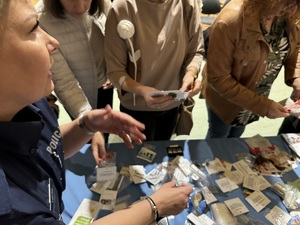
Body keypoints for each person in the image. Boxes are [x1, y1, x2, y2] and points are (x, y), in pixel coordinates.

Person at [0, 1, 193, 225]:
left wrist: (85, 125)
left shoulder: (31, 104)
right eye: (33, 29)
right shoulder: (10, 209)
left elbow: (49, 145)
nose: (52, 42)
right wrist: (153, 207)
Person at [104, 0, 203, 141]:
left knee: (163, 148)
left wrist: (191, 74)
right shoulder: (122, 7)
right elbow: (115, 72)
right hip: (136, 104)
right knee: (139, 155)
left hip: (173, 101)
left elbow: (196, 51)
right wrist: (142, 90)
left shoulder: (187, 4)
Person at [201, 0, 300, 138]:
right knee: (219, 135)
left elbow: (295, 46)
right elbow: (218, 78)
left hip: (256, 96)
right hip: (226, 98)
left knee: (237, 133)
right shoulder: (231, 21)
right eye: (287, 2)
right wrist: (263, 106)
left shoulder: (288, 15)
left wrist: (296, 76)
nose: (291, 10)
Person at [35, 0, 114, 165]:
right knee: (84, 140)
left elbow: (114, 43)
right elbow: (64, 82)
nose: (80, 7)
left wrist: (114, 72)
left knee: (104, 135)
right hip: (76, 93)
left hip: (104, 86)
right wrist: (87, 122)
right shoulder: (42, 18)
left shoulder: (104, 4)